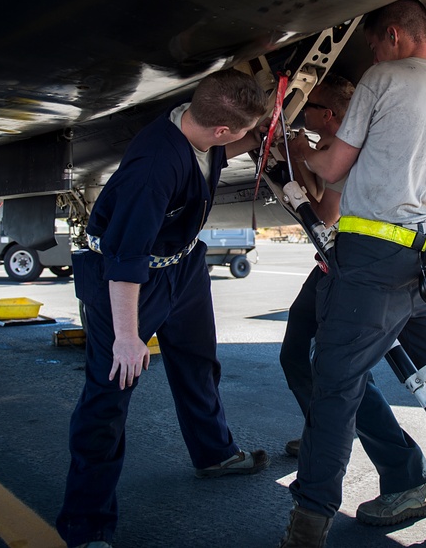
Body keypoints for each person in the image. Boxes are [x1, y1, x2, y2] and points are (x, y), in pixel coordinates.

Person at [278, 0, 426, 547]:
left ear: (393, 36)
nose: (372, 54)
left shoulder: (384, 76)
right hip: (422, 258)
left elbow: (332, 168)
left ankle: (309, 523)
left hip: (370, 257)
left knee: (335, 384)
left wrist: (290, 149)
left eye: (374, 44)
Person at [57, 70, 272, 548]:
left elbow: (228, 145)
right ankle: (85, 525)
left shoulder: (197, 128)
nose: (244, 140)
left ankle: (213, 454)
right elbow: (124, 259)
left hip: (183, 266)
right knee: (108, 395)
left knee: (198, 361)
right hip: (128, 277)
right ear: (220, 129)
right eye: (239, 132)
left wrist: (266, 117)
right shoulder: (155, 166)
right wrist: (128, 336)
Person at [278, 73, 426, 527]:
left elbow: (326, 210)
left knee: (333, 370)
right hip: (341, 260)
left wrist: (298, 156)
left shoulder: (353, 146)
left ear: (326, 114)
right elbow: (320, 204)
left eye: (308, 111)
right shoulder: (334, 145)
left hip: (359, 266)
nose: (303, 119)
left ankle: (402, 475)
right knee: (300, 355)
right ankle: (323, 436)